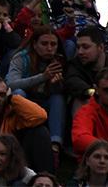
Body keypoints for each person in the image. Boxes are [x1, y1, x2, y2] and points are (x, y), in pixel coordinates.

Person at [6, 26, 66, 154]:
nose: (49, 48)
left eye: (53, 44)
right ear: (34, 44)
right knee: (18, 94)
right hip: (27, 102)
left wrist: (56, 84)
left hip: (45, 102)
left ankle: (55, 145)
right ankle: (19, 136)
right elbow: (11, 84)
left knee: (58, 98)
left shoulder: (59, 60)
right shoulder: (21, 58)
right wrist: (43, 77)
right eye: (44, 44)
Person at [63, 28, 108, 118]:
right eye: (78, 47)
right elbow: (73, 81)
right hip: (90, 107)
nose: (80, 52)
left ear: (101, 47)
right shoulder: (75, 64)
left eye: (85, 47)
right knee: (80, 100)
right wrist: (94, 93)